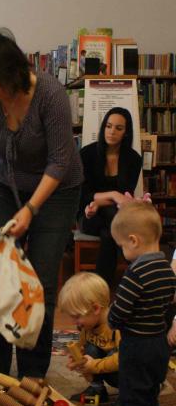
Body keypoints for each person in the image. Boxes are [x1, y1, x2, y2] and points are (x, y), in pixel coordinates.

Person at [0, 32, 83, 382]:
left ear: (12, 71)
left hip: (57, 191)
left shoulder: (50, 94)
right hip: (5, 184)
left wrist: (30, 209)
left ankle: (33, 371)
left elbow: (60, 161)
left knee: (38, 280)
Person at [108, 202, 176, 406]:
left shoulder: (135, 273)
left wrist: (111, 320)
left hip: (137, 345)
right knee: (150, 394)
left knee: (134, 395)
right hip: (159, 343)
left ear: (133, 240)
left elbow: (120, 311)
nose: (123, 251)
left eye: (122, 246)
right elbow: (168, 303)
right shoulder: (167, 270)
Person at [79, 107, 142, 286]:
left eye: (118, 128)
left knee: (109, 234)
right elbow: (83, 196)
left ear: (126, 133)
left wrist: (101, 201)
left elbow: (126, 197)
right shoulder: (87, 154)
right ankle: (138, 269)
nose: (112, 131)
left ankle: (101, 286)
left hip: (114, 218)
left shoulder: (133, 159)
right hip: (88, 214)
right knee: (114, 216)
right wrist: (113, 195)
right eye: (108, 126)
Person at [58, 272, 122, 406]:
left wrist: (94, 365)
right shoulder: (88, 326)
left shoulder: (118, 326)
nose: (73, 322)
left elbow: (124, 359)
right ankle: (97, 389)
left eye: (76, 316)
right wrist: (78, 359)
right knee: (91, 348)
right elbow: (82, 347)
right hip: (107, 366)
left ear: (95, 309)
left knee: (118, 355)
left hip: (129, 369)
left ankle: (130, 396)